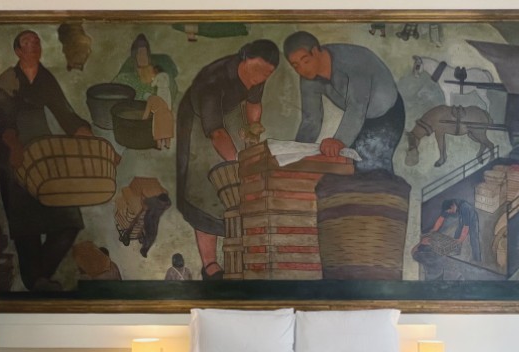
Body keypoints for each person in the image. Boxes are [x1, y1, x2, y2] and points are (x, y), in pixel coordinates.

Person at [0, 30, 93, 291]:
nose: (33, 45)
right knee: (27, 226)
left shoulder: (45, 78)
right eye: (27, 42)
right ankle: (37, 282)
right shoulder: (7, 80)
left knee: (68, 220)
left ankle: (38, 279)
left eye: (36, 41)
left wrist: (81, 130)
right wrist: (14, 145)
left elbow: (63, 110)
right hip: (14, 155)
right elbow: (3, 119)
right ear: (17, 51)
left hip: (44, 155)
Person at [176, 39, 280, 280]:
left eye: (267, 74)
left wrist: (253, 130)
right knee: (203, 189)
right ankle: (210, 265)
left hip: (227, 118)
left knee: (235, 188)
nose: (260, 77)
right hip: (197, 122)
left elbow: (253, 104)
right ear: (244, 58)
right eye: (257, 70)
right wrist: (238, 163)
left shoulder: (258, 75)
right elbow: (216, 133)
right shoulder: (212, 82)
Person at [283, 31, 404, 174]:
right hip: (357, 120)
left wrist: (339, 140)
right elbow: (311, 119)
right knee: (349, 167)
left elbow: (357, 105)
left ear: (315, 52)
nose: (302, 70)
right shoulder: (308, 76)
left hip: (386, 114)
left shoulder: (353, 61)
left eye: (305, 61)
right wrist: (297, 152)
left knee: (373, 167)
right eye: (296, 66)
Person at [112, 33, 179, 102]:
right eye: (139, 54)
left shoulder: (159, 76)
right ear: (135, 57)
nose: (142, 57)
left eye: (144, 53)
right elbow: (112, 91)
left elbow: (170, 91)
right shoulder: (125, 78)